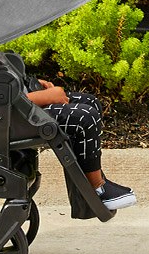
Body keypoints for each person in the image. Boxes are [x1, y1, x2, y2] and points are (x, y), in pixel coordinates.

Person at [22, 74, 136, 210]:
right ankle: (97, 187)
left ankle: (90, 182)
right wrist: (45, 96)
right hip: (13, 114)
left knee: (90, 101)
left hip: (16, 100)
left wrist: (28, 83)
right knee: (85, 117)